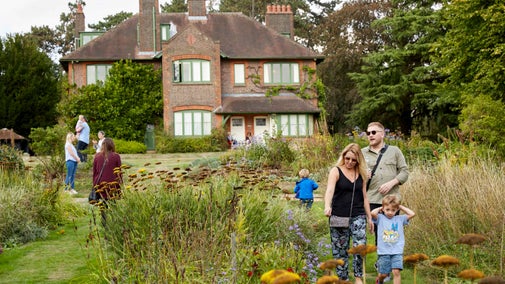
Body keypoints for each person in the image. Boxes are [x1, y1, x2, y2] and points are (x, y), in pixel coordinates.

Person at [324, 143, 373, 283]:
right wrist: (327, 206)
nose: (350, 162)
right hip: (339, 215)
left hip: (358, 215)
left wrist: (369, 217)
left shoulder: (362, 174)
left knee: (359, 246)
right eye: (347, 159)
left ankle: (358, 277)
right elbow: (329, 190)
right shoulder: (336, 171)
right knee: (340, 249)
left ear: (358, 160)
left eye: (353, 160)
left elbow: (364, 196)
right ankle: (342, 278)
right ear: (343, 157)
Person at [362, 122, 409, 242]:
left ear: (382, 134)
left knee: (390, 235)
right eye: (368, 133)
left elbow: (404, 172)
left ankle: (391, 259)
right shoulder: (362, 153)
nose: (370, 135)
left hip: (391, 201)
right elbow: (353, 175)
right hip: (371, 199)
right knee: (374, 234)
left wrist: (392, 182)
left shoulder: (395, 151)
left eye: (374, 132)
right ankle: (380, 259)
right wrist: (363, 176)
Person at [371, 195, 416, 284]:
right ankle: (379, 280)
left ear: (397, 210)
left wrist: (400, 207)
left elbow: (412, 214)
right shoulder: (380, 218)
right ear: (383, 209)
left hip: (397, 251)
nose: (390, 212)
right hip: (384, 251)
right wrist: (381, 207)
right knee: (384, 274)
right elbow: (372, 213)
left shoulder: (400, 219)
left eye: (393, 210)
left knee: (396, 271)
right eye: (387, 210)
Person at [92, 138, 122, 227]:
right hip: (113, 185)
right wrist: (120, 185)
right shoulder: (116, 156)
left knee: (103, 206)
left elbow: (95, 172)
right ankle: (114, 224)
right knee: (113, 205)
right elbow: (119, 172)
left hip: (101, 185)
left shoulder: (97, 156)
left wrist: (95, 185)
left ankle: (104, 223)